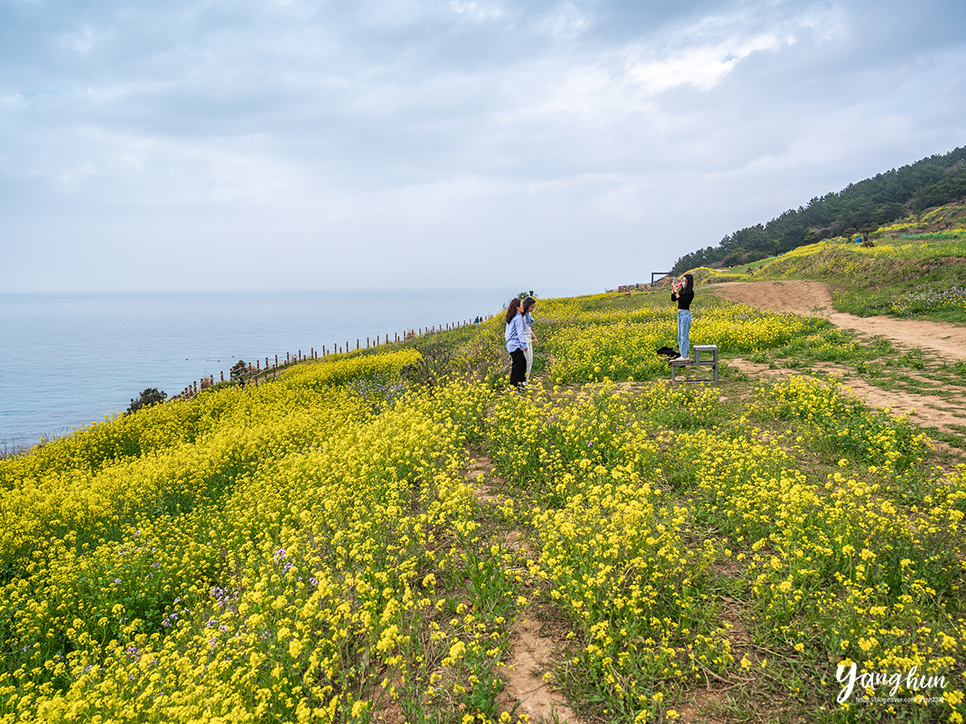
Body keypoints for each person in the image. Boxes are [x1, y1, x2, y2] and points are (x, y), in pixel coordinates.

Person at [504, 298, 528, 388]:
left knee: (522, 363)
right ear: (517, 307)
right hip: (515, 344)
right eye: (521, 305)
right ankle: (513, 385)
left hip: (510, 344)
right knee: (517, 365)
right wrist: (524, 345)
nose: (523, 307)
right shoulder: (518, 318)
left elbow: (507, 333)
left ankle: (520, 383)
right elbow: (520, 333)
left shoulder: (512, 317)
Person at [671, 273, 694, 361]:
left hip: (685, 314)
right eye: (682, 280)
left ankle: (684, 356)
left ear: (688, 281)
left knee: (684, 335)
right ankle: (683, 354)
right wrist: (673, 290)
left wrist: (676, 292)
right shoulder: (682, 291)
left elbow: (683, 301)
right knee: (680, 336)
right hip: (680, 314)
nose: (683, 282)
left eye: (684, 281)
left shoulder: (690, 292)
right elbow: (674, 299)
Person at [521, 296, 539, 385]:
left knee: (530, 360)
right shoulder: (521, 315)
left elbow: (529, 328)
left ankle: (526, 381)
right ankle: (523, 382)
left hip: (529, 337)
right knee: (526, 360)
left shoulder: (528, 315)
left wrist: (534, 337)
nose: (532, 309)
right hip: (523, 338)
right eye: (531, 307)